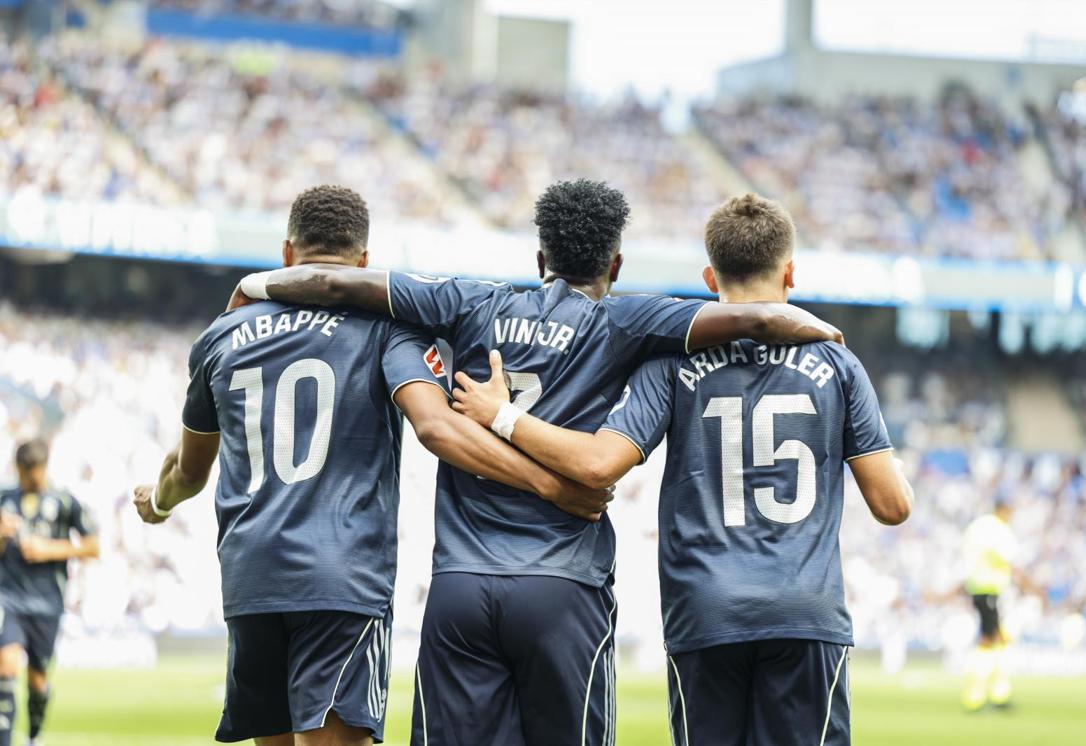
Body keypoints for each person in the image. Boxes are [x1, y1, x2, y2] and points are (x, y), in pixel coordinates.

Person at [230, 179, 845, 745]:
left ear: (541, 260)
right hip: (563, 588)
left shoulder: (470, 304)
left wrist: (254, 286)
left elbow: (339, 284)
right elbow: (757, 315)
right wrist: (810, 325)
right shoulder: (626, 320)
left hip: (461, 586)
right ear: (616, 264)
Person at [132, 185, 608, 746]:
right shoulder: (385, 326)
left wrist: (157, 502)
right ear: (363, 262)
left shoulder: (222, 335)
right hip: (341, 575)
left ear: (288, 256)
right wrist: (550, 485)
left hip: (252, 575)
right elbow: (436, 426)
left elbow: (188, 471)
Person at [451, 193, 914, 746]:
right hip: (804, 612)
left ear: (709, 274)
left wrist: (502, 417)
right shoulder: (838, 363)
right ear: (790, 271)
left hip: (705, 610)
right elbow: (892, 506)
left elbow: (600, 463)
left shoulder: (672, 361)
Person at [0, 439, 99, 746]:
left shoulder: (65, 501)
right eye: (28, 474)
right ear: (19, 469)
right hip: (9, 599)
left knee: (38, 681)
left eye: (37, 473)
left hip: (47, 603)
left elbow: (93, 546)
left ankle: (34, 735)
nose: (33, 480)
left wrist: (49, 549)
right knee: (6, 667)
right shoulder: (4, 499)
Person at [961, 499, 1023, 712]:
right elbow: (1005, 559)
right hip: (990, 589)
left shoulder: (977, 526)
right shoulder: (997, 529)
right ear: (1004, 510)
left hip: (979, 588)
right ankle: (976, 696)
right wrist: (1028, 585)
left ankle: (998, 693)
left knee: (997, 638)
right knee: (989, 640)